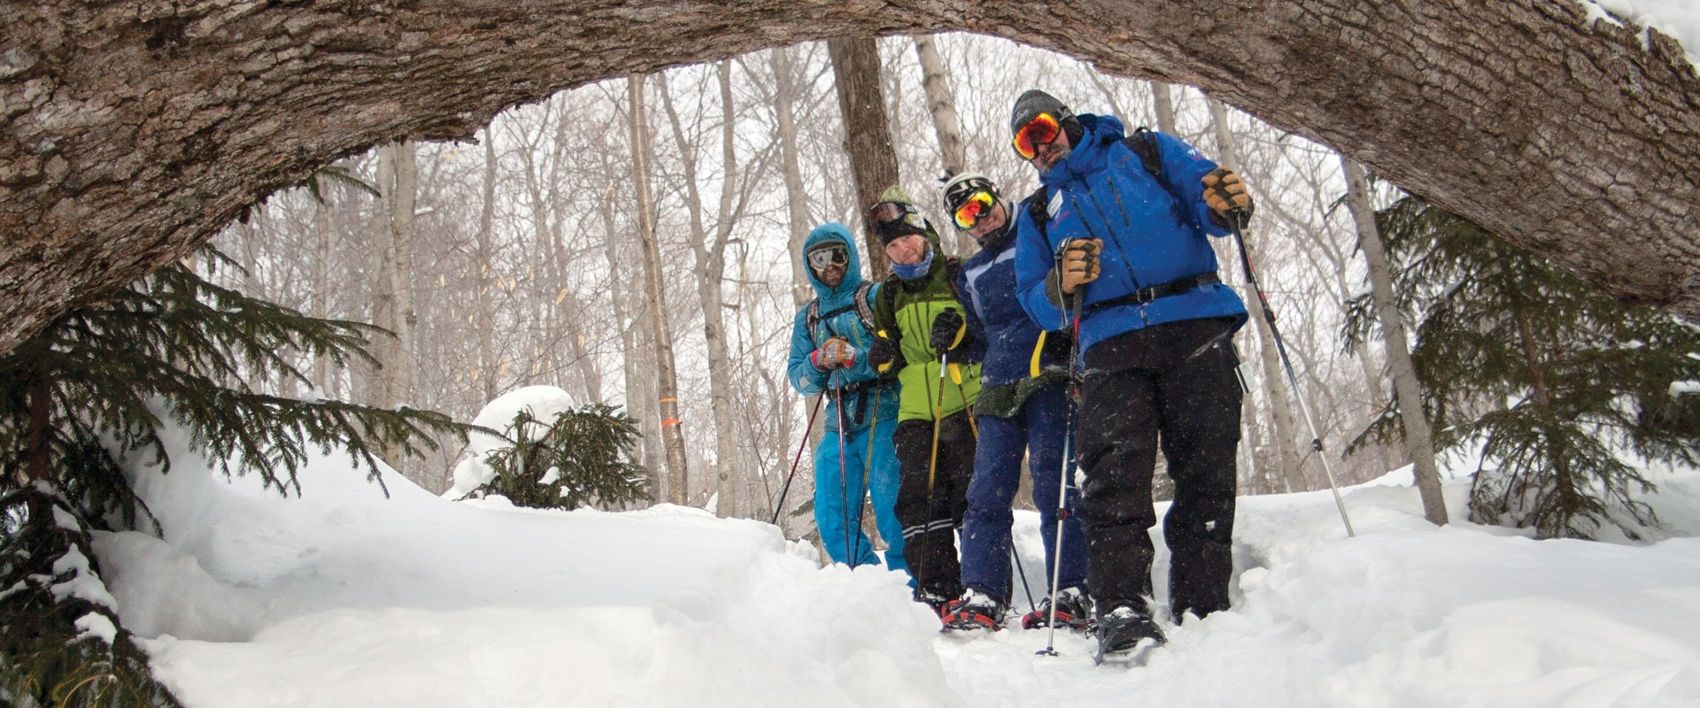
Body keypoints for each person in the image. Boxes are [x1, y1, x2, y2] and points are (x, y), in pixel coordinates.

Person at [1008, 89, 1253, 657]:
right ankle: (1120, 604)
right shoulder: (1040, 213)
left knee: (1207, 460)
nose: (1040, 148)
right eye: (1026, 143)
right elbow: (1035, 303)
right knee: (1113, 474)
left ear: (1066, 121)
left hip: (1193, 317)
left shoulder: (1145, 152)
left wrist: (1224, 201)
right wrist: (1059, 286)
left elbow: (1209, 203)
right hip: (1109, 341)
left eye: (1042, 129)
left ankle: (1203, 597)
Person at [933, 172, 1091, 633]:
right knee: (985, 491)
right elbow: (981, 335)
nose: (980, 218)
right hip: (999, 383)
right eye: (965, 215)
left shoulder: (1039, 226)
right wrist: (958, 337)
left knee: (1053, 482)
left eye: (981, 203)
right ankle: (983, 592)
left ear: (996, 195)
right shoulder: (971, 272)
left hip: (1049, 370)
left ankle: (1071, 587)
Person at [862, 186, 982, 616]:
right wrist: (881, 359)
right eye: (893, 245)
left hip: (965, 398)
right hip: (915, 409)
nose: (904, 249)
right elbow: (886, 358)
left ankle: (983, 586)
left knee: (971, 495)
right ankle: (936, 588)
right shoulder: (888, 295)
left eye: (908, 238)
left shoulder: (958, 273)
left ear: (925, 233)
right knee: (918, 497)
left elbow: (988, 333)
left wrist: (962, 334)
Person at [786, 223, 907, 577]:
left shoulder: (875, 298)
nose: (829, 265)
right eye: (818, 258)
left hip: (885, 410)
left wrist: (858, 356)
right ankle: (861, 580)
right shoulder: (808, 317)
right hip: (837, 418)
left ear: (849, 254)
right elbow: (799, 379)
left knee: (892, 505)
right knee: (831, 510)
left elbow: (900, 353)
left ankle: (911, 582)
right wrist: (817, 361)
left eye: (836, 254)